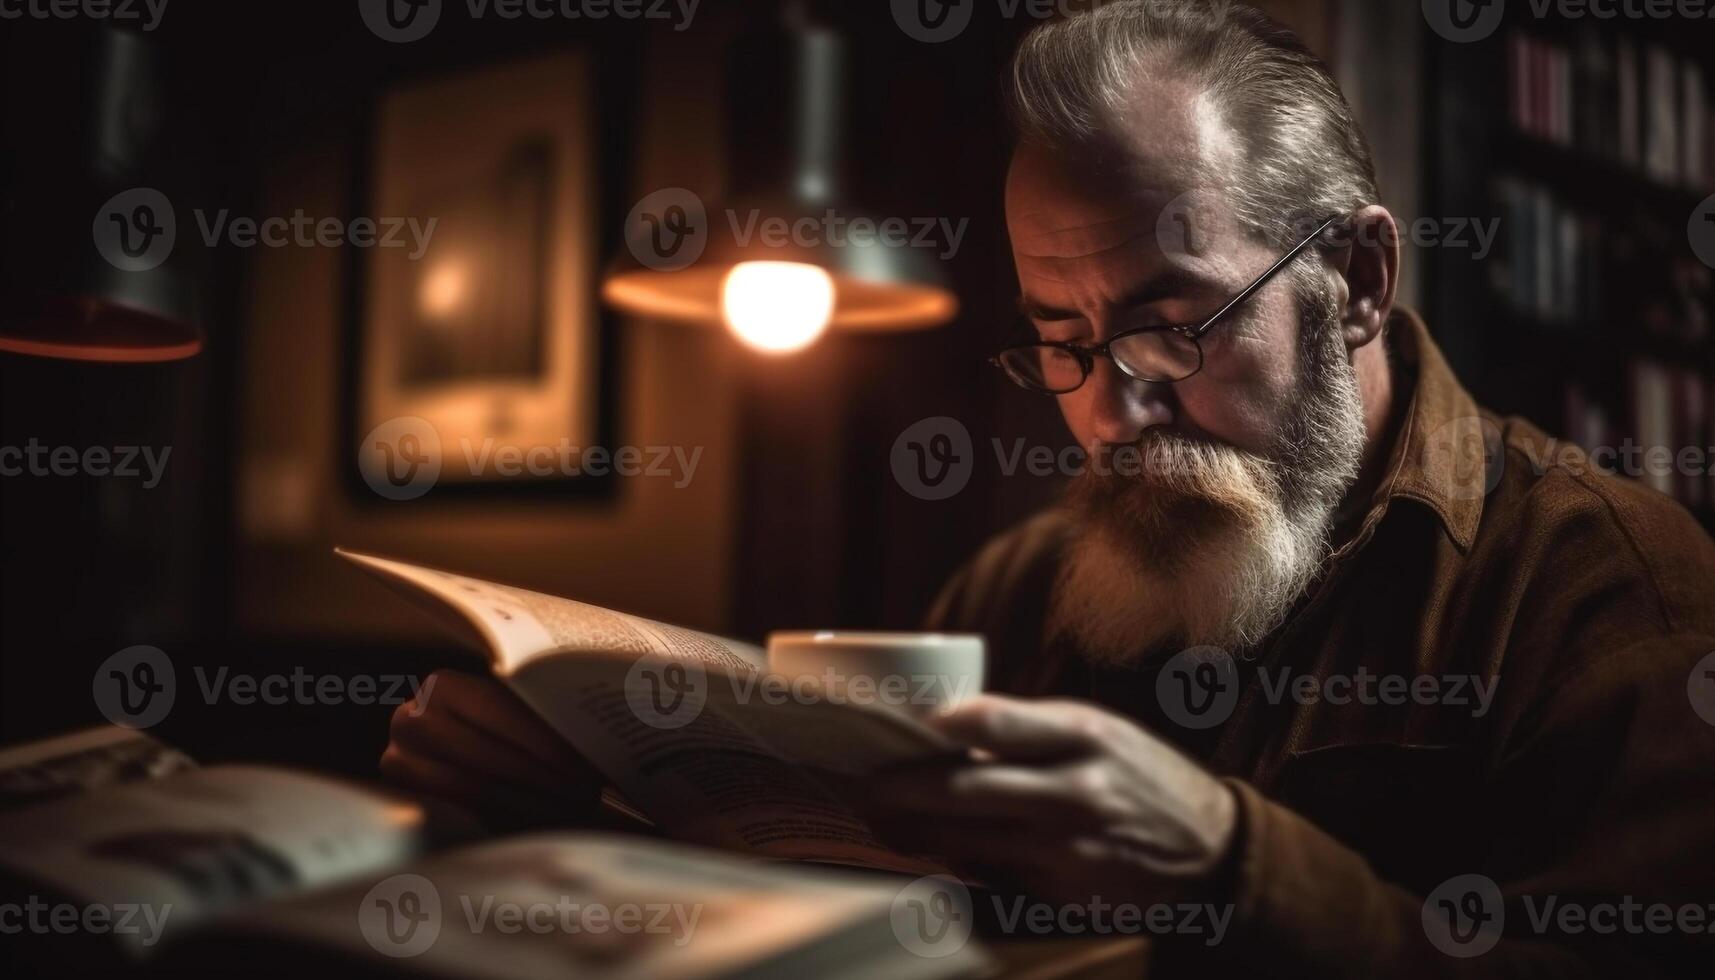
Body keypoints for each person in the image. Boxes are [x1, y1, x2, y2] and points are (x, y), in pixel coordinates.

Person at [382, 3, 1715, 974]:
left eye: (1171, 324)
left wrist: (1230, 864)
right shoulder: (1014, 593)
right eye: (1061, 339)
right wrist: (583, 801)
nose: (1114, 405)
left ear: (1359, 282)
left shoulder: (1608, 587)